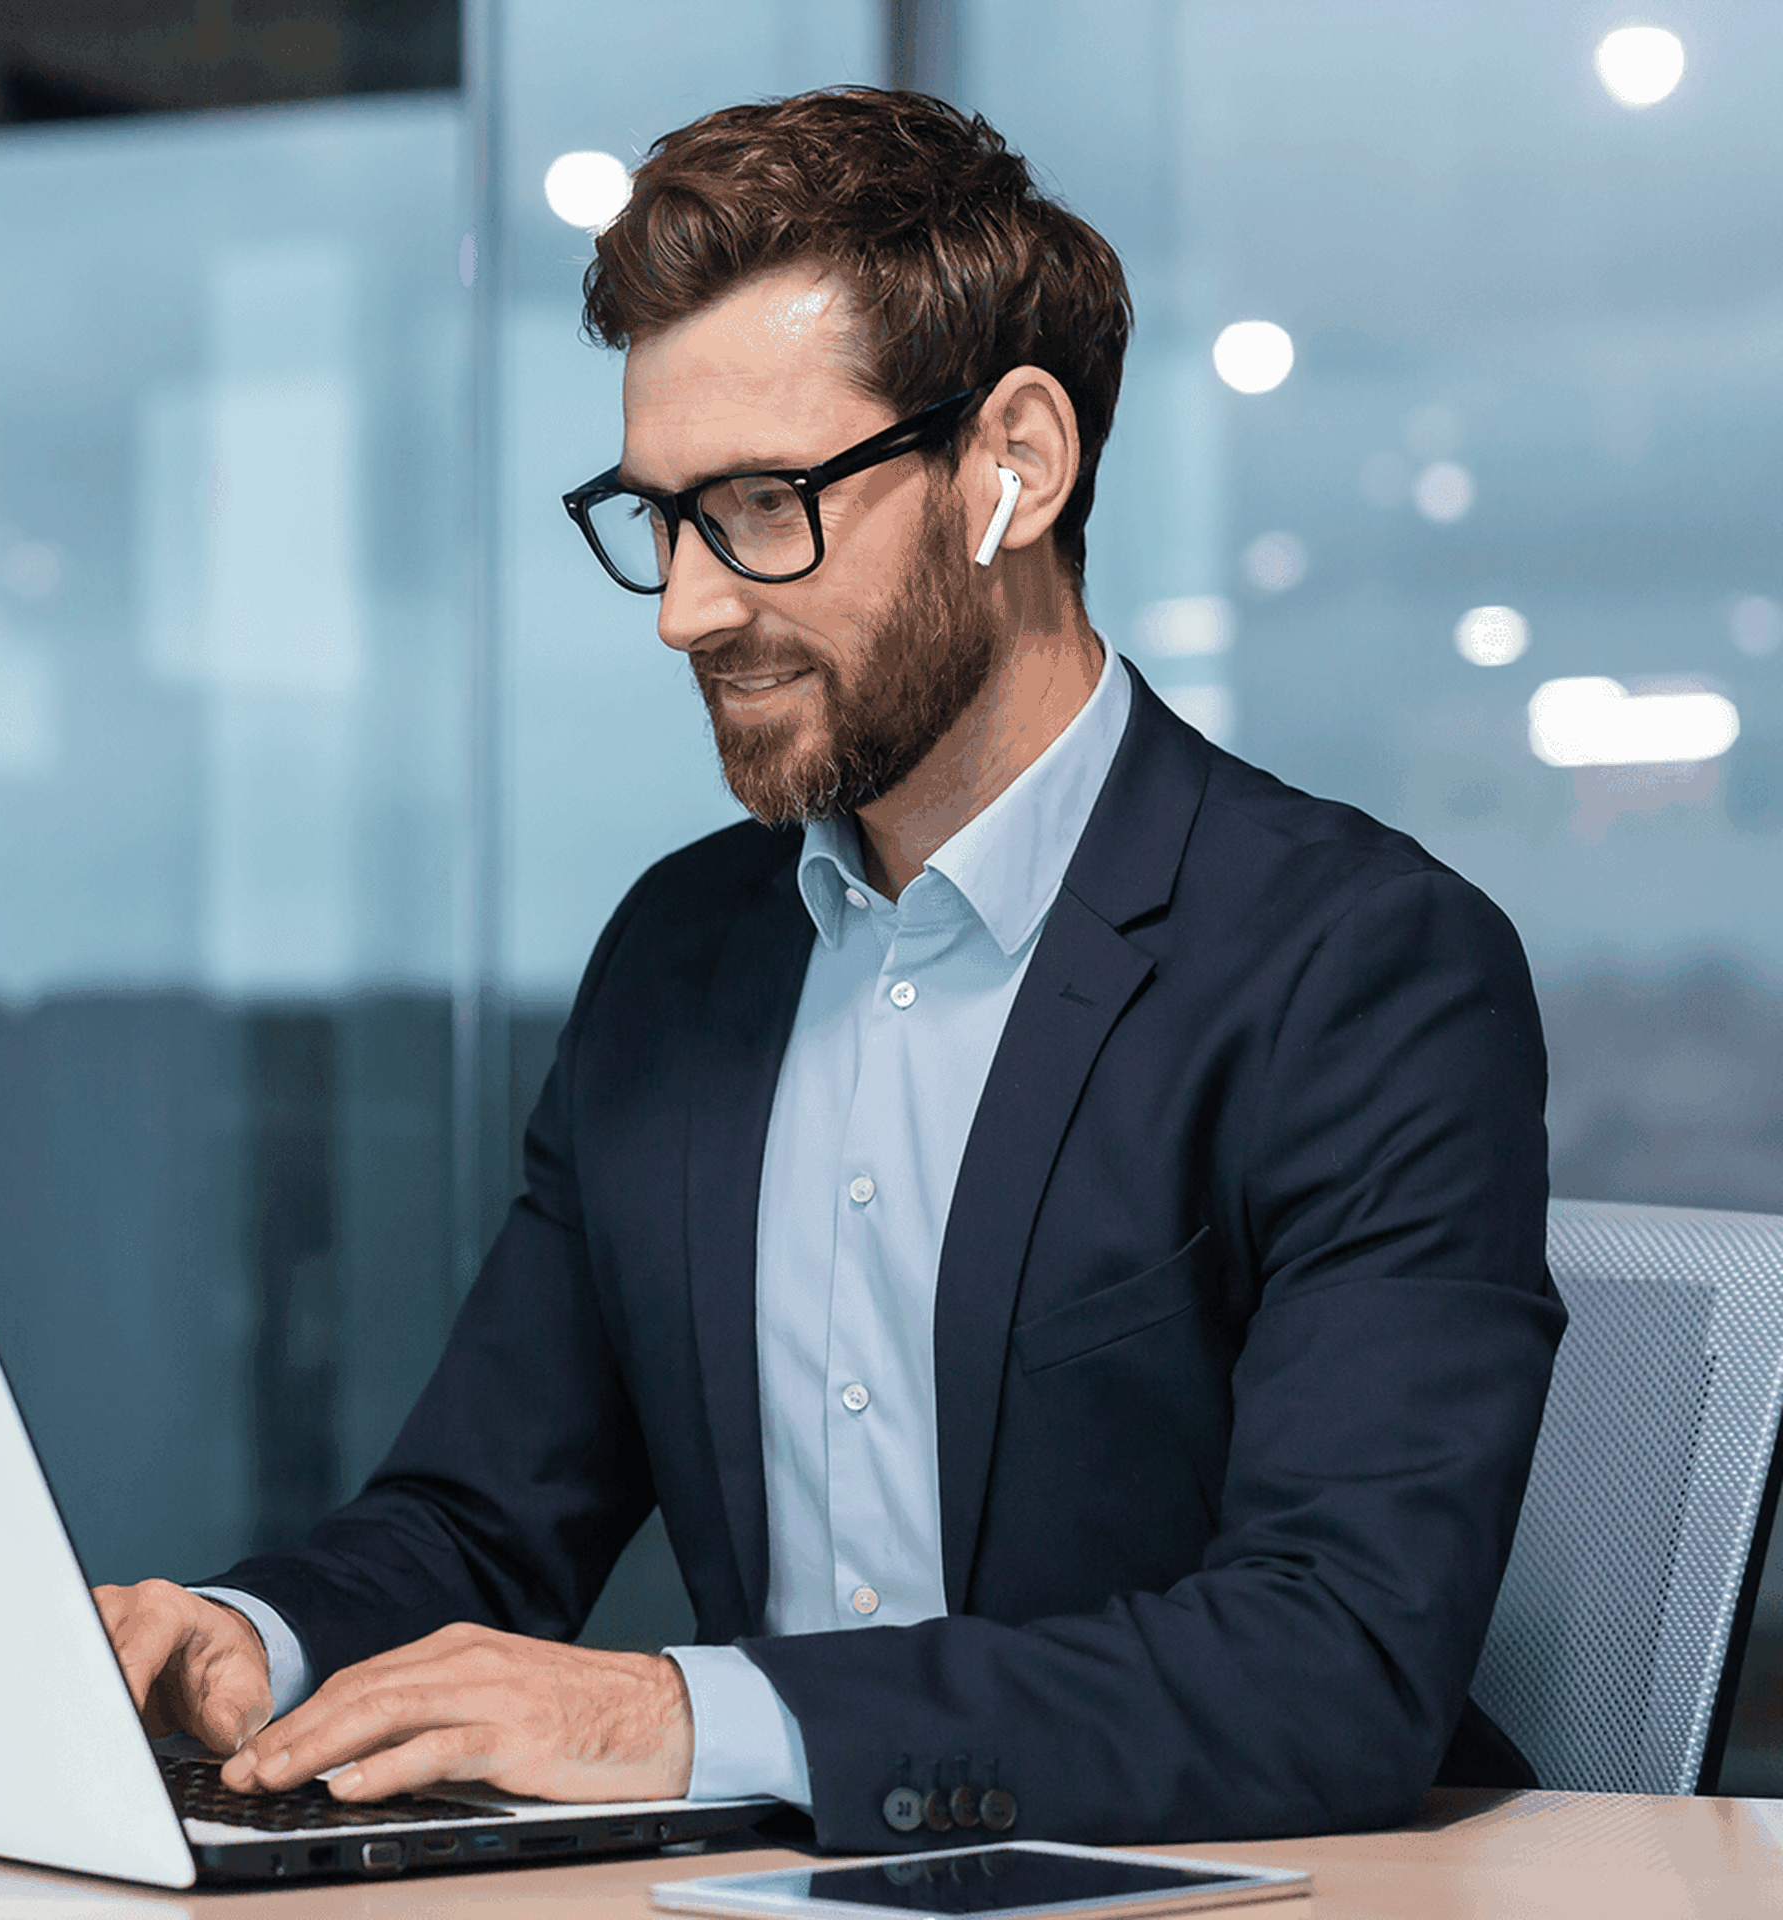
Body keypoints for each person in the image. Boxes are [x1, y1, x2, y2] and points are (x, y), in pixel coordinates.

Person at [95, 87, 1564, 1851]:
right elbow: (481, 1519)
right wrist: (251, 1643)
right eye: (659, 518)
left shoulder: (1361, 967)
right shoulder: (681, 958)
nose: (686, 609)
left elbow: (1332, 1660)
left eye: (763, 504)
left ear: (1012, 464)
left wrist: (687, 1712)